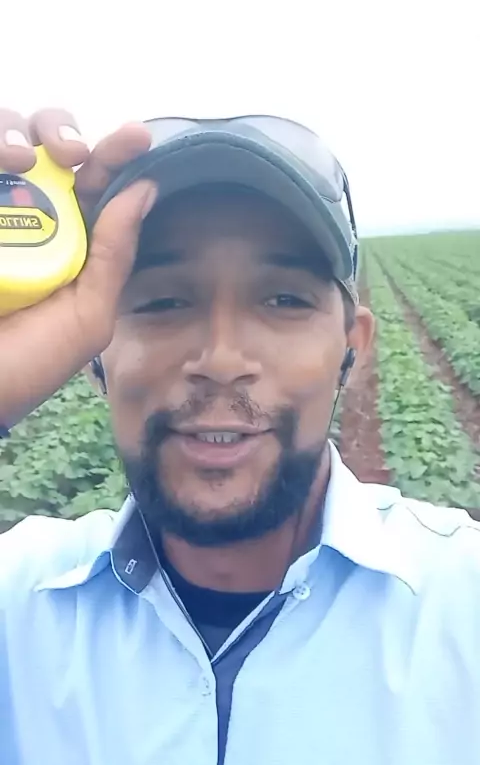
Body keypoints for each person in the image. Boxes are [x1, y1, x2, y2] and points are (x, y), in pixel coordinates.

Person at [0, 108, 479, 765]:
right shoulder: (17, 605)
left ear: (351, 348)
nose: (221, 359)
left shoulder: (464, 606)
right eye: (163, 301)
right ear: (93, 354)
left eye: (283, 300)